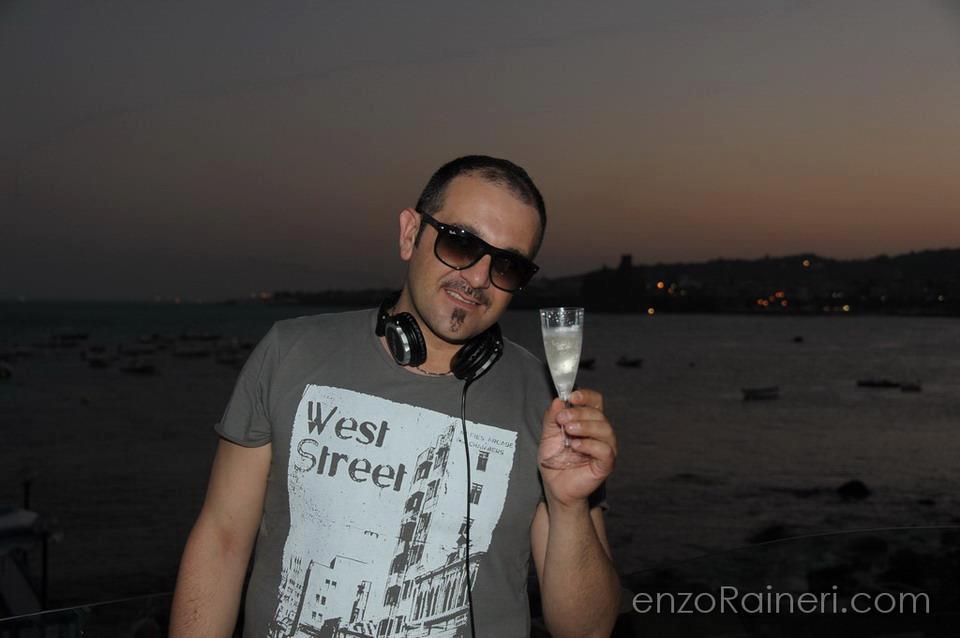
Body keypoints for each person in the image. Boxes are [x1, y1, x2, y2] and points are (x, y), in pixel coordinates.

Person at [169, 155, 621, 637]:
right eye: (460, 243)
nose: (477, 278)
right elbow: (222, 540)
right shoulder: (290, 352)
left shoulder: (550, 402)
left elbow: (587, 631)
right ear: (410, 234)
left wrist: (569, 507)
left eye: (507, 265)